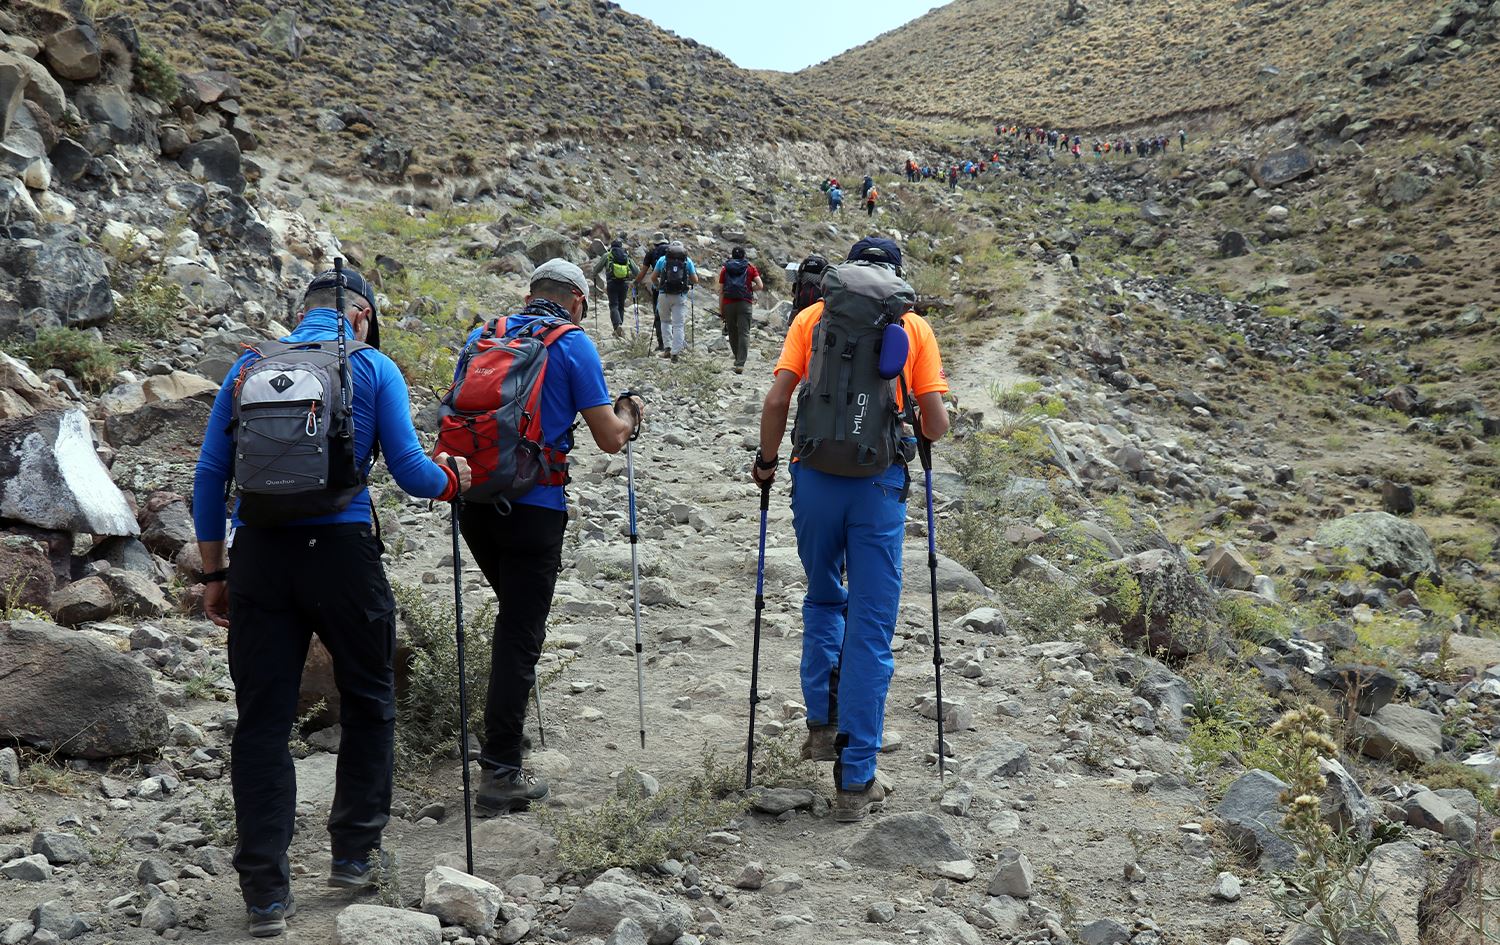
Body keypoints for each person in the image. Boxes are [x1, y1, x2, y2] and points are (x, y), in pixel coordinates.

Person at [193, 268, 474, 938]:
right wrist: (452, 481)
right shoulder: (373, 366)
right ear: (362, 315)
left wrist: (214, 572)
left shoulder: (248, 367)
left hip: (259, 554)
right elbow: (409, 472)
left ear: (301, 317)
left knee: (262, 721)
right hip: (344, 554)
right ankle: (353, 854)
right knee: (370, 698)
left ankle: (264, 892)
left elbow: (208, 474)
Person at [752, 236, 949, 823]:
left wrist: (765, 464)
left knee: (822, 596)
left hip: (813, 476)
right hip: (876, 487)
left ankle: (820, 726)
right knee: (870, 627)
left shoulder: (813, 316)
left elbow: (776, 402)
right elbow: (934, 426)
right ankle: (855, 778)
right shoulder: (912, 327)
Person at [447, 259, 643, 812]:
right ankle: (501, 770)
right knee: (519, 636)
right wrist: (628, 412)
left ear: (530, 293)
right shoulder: (572, 342)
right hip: (536, 506)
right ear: (578, 301)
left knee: (514, 623)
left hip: (475, 499)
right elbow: (609, 437)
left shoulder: (482, 336)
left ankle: (505, 739)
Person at [649, 240, 698, 360]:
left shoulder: (662, 260)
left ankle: (667, 349)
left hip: (663, 294)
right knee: (678, 325)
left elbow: (653, 277)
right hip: (680, 296)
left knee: (665, 322)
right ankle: (675, 352)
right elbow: (695, 280)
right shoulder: (687, 261)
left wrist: (657, 285)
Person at [717, 246, 763, 374]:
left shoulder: (725, 268)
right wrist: (749, 289)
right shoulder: (750, 267)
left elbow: (721, 291)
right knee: (744, 332)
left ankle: (737, 358)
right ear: (744, 255)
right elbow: (760, 285)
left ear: (732, 255)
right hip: (745, 303)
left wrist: (721, 310)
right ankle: (740, 363)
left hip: (728, 304)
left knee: (732, 332)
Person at [591, 238, 639, 338]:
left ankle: (617, 326)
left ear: (611, 247)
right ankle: (619, 326)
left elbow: (597, 269)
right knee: (621, 306)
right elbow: (636, 271)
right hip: (624, 284)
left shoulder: (608, 255)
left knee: (613, 305)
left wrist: (594, 275)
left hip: (612, 283)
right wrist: (633, 279)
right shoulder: (626, 256)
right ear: (621, 247)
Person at [635, 232, 670, 351]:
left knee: (659, 315)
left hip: (659, 288)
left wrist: (636, 282)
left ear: (654, 243)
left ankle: (662, 344)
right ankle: (676, 343)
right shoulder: (674, 252)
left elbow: (643, 272)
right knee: (675, 315)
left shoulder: (651, 253)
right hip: (677, 288)